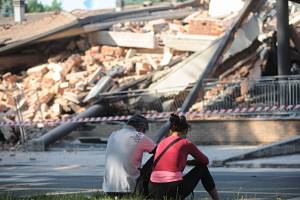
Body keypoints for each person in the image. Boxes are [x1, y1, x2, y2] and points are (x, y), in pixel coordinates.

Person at [148, 113, 219, 200]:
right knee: (202, 168)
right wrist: (191, 162)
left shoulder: (161, 142)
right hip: (172, 189)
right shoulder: (186, 143)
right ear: (185, 131)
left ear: (170, 131)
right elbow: (205, 161)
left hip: (153, 188)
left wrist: (186, 162)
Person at [102, 114, 156, 197]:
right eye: (144, 130)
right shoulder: (139, 136)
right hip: (129, 187)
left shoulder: (113, 135)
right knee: (157, 157)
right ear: (142, 128)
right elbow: (159, 151)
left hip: (109, 187)